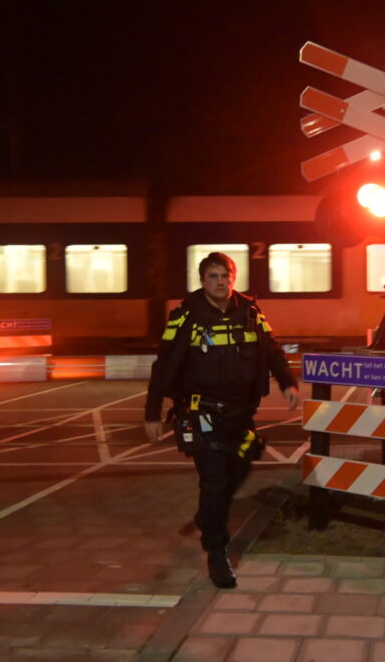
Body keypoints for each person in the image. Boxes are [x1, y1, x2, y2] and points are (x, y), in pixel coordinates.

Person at [144, 252, 299, 588]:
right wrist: (152, 412)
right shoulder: (185, 317)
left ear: (234, 277)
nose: (220, 282)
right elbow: (163, 364)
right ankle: (217, 553)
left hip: (240, 412)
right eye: (213, 276)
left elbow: (272, 350)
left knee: (244, 459)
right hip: (202, 413)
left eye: (225, 275)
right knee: (214, 480)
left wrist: (287, 382)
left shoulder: (251, 312)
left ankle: (206, 517)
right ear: (202, 281)